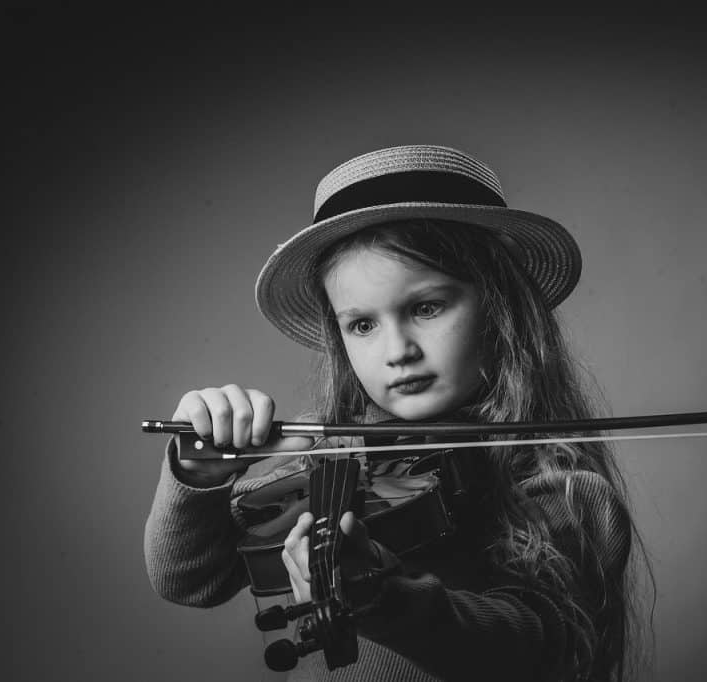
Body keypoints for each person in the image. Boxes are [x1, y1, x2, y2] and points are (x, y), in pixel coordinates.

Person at [145, 144, 651, 681]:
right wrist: (197, 476)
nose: (397, 349)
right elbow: (189, 580)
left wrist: (389, 602)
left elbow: (535, 640)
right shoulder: (338, 468)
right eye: (362, 324)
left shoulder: (564, 489)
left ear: (500, 310)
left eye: (425, 307)